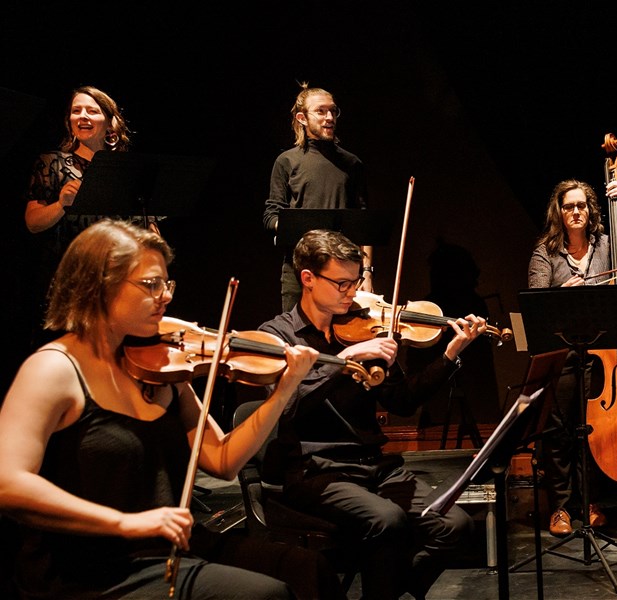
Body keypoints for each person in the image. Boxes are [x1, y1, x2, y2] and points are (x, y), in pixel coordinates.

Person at [0, 220, 334, 599]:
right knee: (264, 594)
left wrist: (284, 389)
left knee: (310, 570)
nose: (166, 297)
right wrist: (125, 523)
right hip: (91, 568)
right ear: (99, 285)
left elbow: (223, 461)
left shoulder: (162, 366)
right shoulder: (53, 370)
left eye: (166, 284)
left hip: (172, 548)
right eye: (150, 285)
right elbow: (7, 484)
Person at [259, 229, 487, 600]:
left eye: (356, 281)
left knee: (456, 525)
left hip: (374, 468)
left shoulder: (365, 328)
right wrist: (344, 359)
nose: (352, 292)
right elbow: (287, 405)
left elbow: (402, 401)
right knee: (388, 520)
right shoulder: (279, 336)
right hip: (315, 470)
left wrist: (449, 354)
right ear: (308, 279)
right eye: (342, 283)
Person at [527, 178, 617, 536]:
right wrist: (561, 294)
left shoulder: (608, 245)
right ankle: (559, 507)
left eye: (581, 206)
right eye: (568, 206)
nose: (575, 212)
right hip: (562, 355)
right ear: (559, 212)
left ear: (591, 211)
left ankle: (589, 501)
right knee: (558, 431)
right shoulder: (546, 252)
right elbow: (536, 307)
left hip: (602, 354)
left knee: (589, 431)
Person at [23, 86, 140, 348]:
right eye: (76, 111)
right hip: (69, 286)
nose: (83, 116)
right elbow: (32, 223)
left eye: (92, 111)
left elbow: (149, 230)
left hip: (117, 285)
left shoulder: (127, 171)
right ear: (69, 121)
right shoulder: (53, 162)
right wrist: (62, 204)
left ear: (110, 122)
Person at [262, 84, 373, 312]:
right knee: (296, 337)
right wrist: (291, 226)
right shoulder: (287, 161)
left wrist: (367, 272)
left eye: (333, 111)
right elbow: (271, 214)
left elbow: (365, 224)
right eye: (321, 111)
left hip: (342, 272)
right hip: (300, 268)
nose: (329, 117)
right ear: (302, 118)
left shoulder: (352, 164)